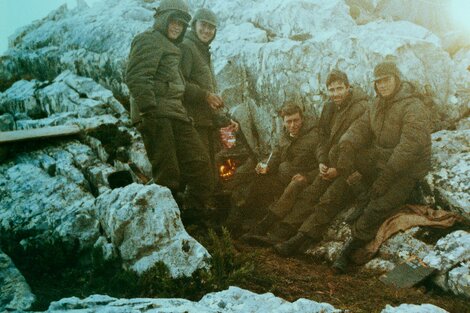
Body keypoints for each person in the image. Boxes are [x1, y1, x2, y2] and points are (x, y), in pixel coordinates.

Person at [245, 70, 369, 253]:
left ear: (348, 87)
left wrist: (339, 169)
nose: (335, 94)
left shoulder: (362, 107)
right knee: (309, 194)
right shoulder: (329, 107)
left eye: (339, 88)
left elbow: (359, 144)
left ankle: (296, 241)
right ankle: (280, 232)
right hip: (331, 165)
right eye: (331, 89)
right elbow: (323, 139)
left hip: (351, 169)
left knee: (327, 201)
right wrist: (322, 162)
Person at [331, 61, 432, 273]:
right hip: (382, 160)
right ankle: (362, 195)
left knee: (378, 206)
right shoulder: (377, 104)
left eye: (386, 80)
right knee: (339, 153)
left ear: (396, 79)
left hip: (406, 169)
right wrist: (347, 145)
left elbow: (409, 148)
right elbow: (360, 127)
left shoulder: (413, 106)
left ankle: (349, 250)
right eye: (378, 82)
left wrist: (385, 179)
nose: (382, 86)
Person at [125, 0, 213, 219]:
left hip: (176, 115)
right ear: (162, 19)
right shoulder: (148, 40)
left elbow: (176, 86)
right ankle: (168, 225)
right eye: (173, 21)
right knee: (168, 175)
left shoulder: (172, 47)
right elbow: (136, 76)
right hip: (156, 115)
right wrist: (149, 110)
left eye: (181, 24)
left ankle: (191, 218)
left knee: (201, 164)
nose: (177, 27)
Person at [230, 102, 321, 235]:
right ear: (283, 122)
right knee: (256, 179)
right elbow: (276, 155)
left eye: (296, 120)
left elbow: (323, 164)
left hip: (303, 179)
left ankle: (265, 225)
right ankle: (238, 221)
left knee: (293, 186)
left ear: (302, 119)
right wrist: (266, 166)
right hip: (283, 176)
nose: (292, 125)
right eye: (288, 121)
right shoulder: (283, 136)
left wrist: (307, 176)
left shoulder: (314, 136)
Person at [179, 8, 238, 196]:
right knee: (200, 170)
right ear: (194, 24)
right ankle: (195, 215)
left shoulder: (203, 50)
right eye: (203, 25)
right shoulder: (187, 47)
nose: (207, 31)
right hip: (191, 121)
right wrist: (205, 95)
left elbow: (210, 95)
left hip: (205, 122)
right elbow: (179, 83)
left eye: (211, 28)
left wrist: (226, 120)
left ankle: (207, 211)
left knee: (211, 169)